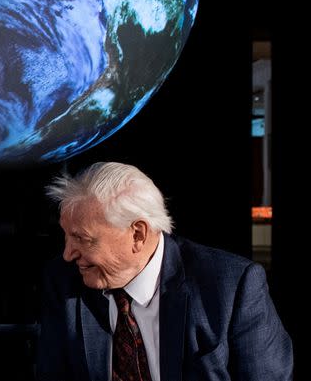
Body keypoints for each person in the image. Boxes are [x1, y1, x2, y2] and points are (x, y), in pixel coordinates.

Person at [37, 162, 292, 381]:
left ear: (138, 234)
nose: (68, 254)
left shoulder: (231, 286)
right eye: (67, 236)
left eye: (82, 239)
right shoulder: (63, 282)